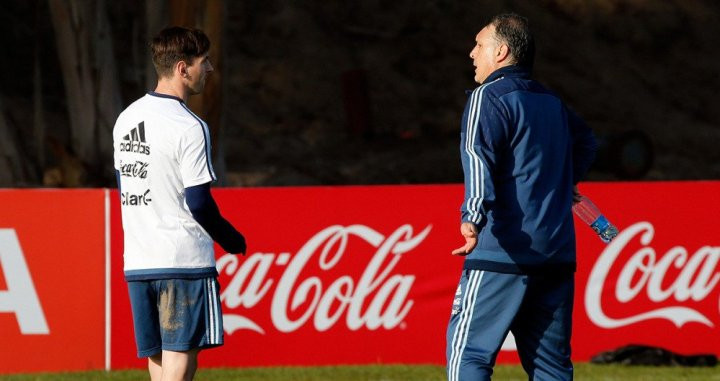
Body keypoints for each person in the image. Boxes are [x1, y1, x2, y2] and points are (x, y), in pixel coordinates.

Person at [446, 13, 597, 381]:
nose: (471, 53)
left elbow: (477, 158)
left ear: (501, 51)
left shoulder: (487, 97)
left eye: (479, 45)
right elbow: (588, 142)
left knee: (468, 355)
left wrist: (473, 217)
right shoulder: (551, 101)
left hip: (503, 251)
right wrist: (567, 180)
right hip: (556, 253)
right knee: (551, 368)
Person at [113, 26, 246, 381]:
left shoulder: (125, 118)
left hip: (139, 261)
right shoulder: (190, 126)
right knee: (181, 360)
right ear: (183, 69)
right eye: (205, 62)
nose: (210, 69)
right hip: (182, 260)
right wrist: (231, 238)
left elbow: (125, 184)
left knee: (158, 360)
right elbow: (198, 202)